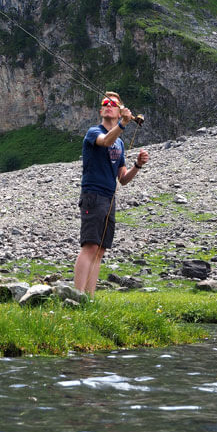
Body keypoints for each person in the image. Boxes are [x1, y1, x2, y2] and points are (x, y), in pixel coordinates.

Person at [73, 91, 149, 295]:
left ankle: (88, 297)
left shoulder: (120, 143)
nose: (108, 105)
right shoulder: (93, 132)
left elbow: (122, 179)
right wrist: (123, 124)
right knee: (90, 246)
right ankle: (77, 294)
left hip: (109, 198)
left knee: (100, 250)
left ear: (118, 111)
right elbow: (105, 141)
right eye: (105, 103)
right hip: (93, 194)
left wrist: (137, 166)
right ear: (101, 110)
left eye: (113, 104)